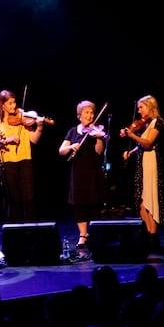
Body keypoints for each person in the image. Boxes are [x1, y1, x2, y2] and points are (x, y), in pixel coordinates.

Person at [0, 89, 46, 223]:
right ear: (2, 105)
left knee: (29, 198)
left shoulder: (23, 119)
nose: (14, 106)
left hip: (25, 160)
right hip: (7, 162)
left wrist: (40, 127)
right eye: (10, 103)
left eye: (14, 102)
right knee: (14, 199)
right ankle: (15, 230)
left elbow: (34, 139)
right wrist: (8, 140)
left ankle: (31, 228)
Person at [58, 100, 108, 249]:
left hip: (93, 172)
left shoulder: (96, 131)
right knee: (79, 204)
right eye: (86, 112)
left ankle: (95, 234)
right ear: (79, 115)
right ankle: (83, 235)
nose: (90, 115)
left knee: (94, 202)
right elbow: (61, 151)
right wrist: (71, 146)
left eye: (92, 112)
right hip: (78, 173)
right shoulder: (73, 131)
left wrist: (99, 137)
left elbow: (99, 151)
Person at [119, 95, 164, 250]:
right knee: (141, 201)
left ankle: (153, 236)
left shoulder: (157, 122)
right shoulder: (145, 124)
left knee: (150, 199)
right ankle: (147, 233)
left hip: (152, 163)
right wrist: (131, 152)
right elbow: (140, 145)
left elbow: (148, 143)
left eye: (141, 107)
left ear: (150, 106)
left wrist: (132, 135)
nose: (139, 111)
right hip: (142, 163)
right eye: (138, 108)